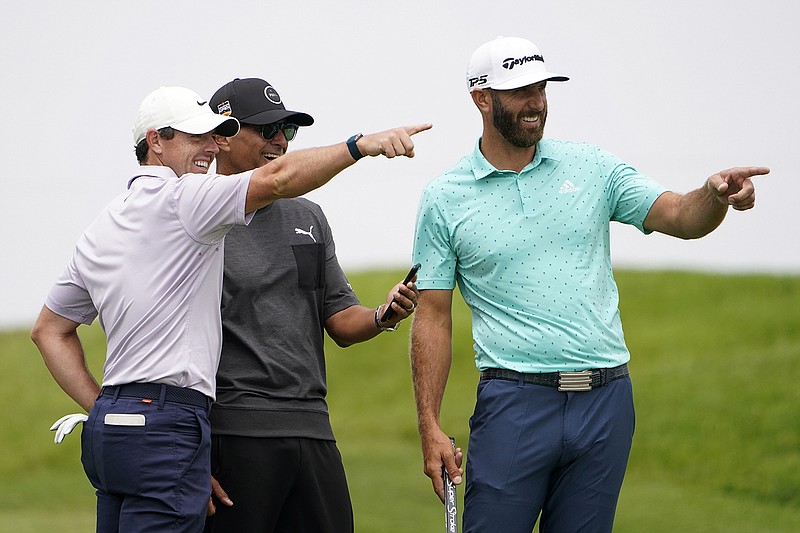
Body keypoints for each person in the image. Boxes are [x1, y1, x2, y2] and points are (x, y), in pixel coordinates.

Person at [31, 84, 430, 532]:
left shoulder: (106, 222)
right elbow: (278, 179)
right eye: (195, 136)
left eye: (211, 134)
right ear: (156, 141)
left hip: (132, 427)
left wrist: (102, 406)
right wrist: (360, 145)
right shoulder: (190, 202)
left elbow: (49, 329)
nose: (208, 146)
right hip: (194, 423)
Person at [409, 36, 769, 533]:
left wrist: (715, 196)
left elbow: (680, 216)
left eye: (541, 87)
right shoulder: (444, 197)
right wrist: (428, 424)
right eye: (519, 91)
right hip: (514, 403)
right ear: (481, 98)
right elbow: (433, 315)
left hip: (606, 402)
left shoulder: (593, 167)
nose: (535, 102)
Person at [201, 77, 420, 533]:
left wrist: (384, 316)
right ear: (221, 136)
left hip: (312, 429)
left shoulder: (307, 216)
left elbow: (339, 320)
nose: (279, 141)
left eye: (287, 131)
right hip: (234, 433)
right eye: (266, 130)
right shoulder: (195, 216)